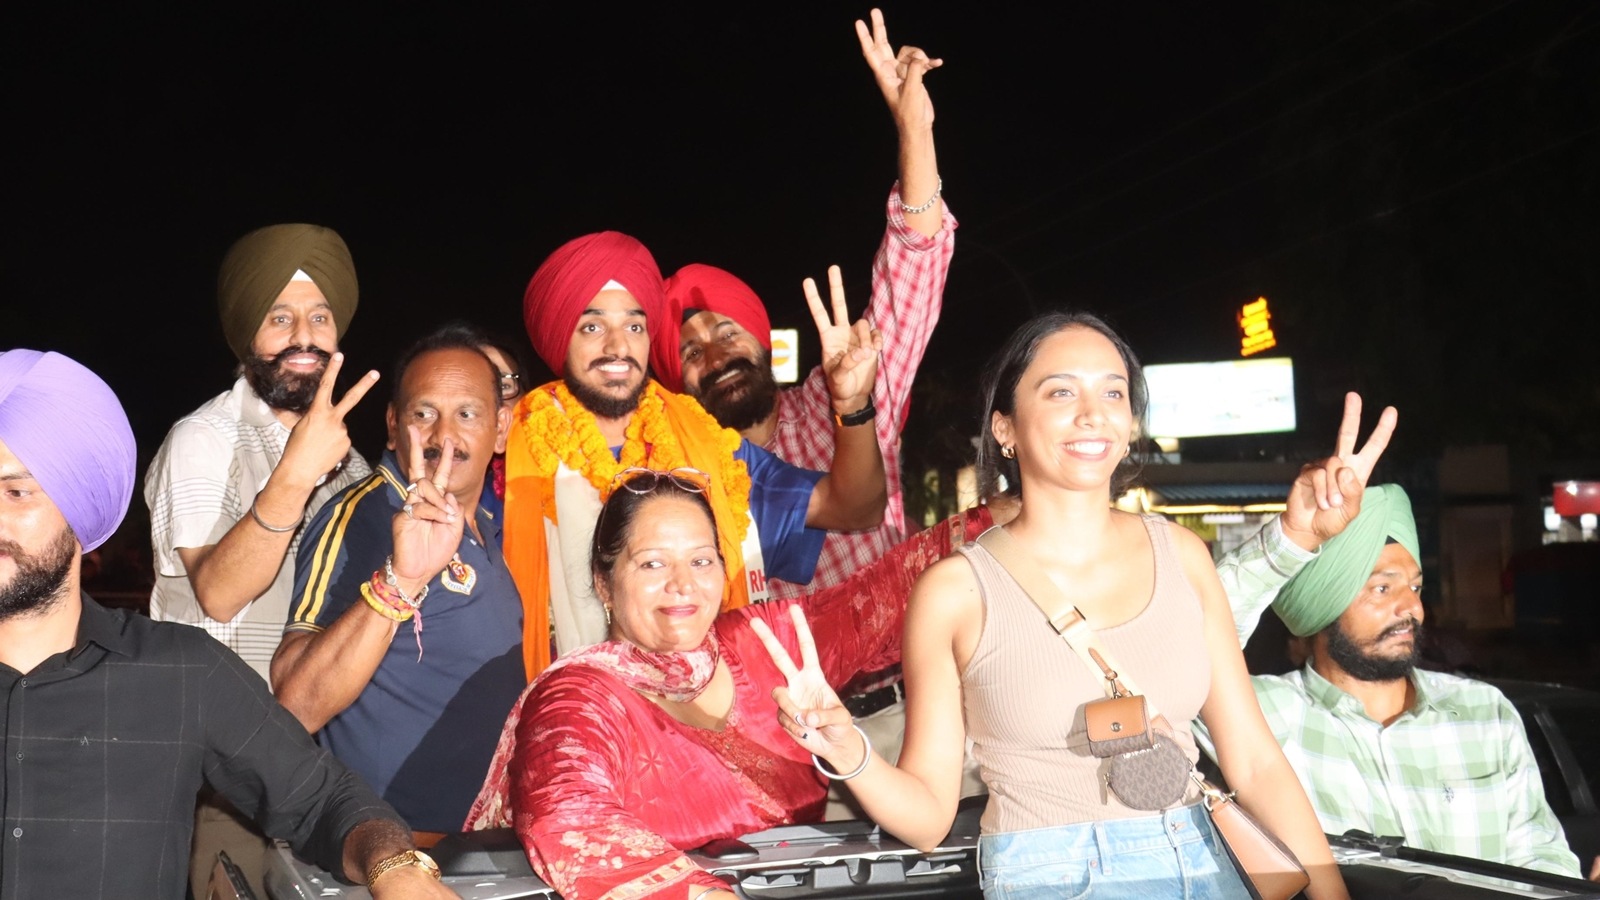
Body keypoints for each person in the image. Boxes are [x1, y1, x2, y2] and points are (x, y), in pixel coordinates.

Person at [767, 312, 1350, 898]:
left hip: (1201, 866)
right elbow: (928, 817)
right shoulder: (954, 591)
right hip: (1051, 878)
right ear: (1005, 428)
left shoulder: (1183, 555)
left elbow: (1254, 762)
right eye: (1061, 392)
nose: (1093, 413)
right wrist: (849, 751)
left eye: (1113, 392)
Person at [0, 349, 453, 899]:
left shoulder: (179, 672)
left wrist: (397, 870)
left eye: (16, 492)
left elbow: (325, 800)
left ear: (80, 507)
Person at [466, 469, 990, 900]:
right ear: (604, 583)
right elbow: (570, 819)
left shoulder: (761, 643)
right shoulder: (577, 697)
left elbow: (889, 593)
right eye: (652, 563)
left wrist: (1018, 519)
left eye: (701, 560)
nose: (683, 584)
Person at [652, 8, 954, 603]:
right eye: (690, 352)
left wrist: (914, 130)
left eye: (728, 333)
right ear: (676, 379)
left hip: (903, 662)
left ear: (762, 342)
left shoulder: (833, 399)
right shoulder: (682, 475)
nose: (717, 356)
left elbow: (912, 270)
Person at [503, 230, 884, 678]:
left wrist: (852, 405)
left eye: (634, 326)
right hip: (577, 706)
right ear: (557, 338)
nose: (618, 347)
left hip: (712, 702)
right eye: (592, 327)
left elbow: (856, 508)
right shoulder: (513, 455)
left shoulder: (713, 450)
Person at [143, 222, 380, 896]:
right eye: (280, 318)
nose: (305, 336)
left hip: (323, 777)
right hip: (226, 781)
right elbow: (218, 592)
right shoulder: (204, 438)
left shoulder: (352, 464)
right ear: (247, 335)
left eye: (320, 317)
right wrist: (296, 474)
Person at [1203, 482, 1582, 877]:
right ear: (1322, 602)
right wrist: (1291, 538)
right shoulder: (1265, 714)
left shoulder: (1483, 710)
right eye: (1382, 589)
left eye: (1415, 586)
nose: (1413, 608)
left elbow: (1538, 857)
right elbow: (1185, 644)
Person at [273, 326, 525, 834]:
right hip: (395, 850)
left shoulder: (489, 524)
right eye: (423, 414)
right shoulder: (366, 516)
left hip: (485, 849)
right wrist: (400, 581)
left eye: (467, 414)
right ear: (393, 425)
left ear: (500, 429)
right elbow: (294, 703)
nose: (443, 436)